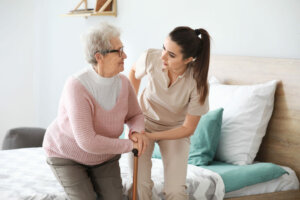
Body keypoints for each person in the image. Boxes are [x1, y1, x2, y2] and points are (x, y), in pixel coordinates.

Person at [42, 23, 148, 200]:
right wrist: (130, 145)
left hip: (104, 158)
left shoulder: (123, 83)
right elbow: (87, 142)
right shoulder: (76, 86)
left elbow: (135, 115)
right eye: (119, 51)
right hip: (67, 155)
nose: (125, 56)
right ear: (99, 57)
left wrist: (137, 132)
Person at [128, 26, 211, 200]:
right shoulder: (152, 57)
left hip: (176, 131)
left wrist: (151, 137)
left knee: (175, 191)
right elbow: (134, 73)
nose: (163, 56)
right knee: (138, 186)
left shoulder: (198, 84)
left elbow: (188, 128)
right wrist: (131, 110)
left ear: (189, 59)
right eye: (164, 48)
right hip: (144, 123)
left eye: (171, 55)